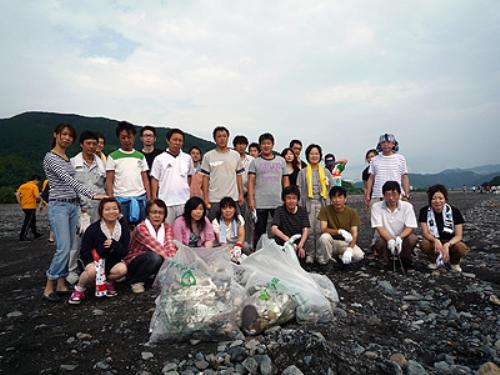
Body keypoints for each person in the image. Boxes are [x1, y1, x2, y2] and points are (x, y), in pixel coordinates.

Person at [43, 123, 106, 302]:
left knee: (70, 245)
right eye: (63, 134)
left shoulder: (65, 157)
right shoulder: (51, 157)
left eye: (69, 135)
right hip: (59, 205)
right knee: (63, 248)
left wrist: (81, 203)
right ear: (56, 135)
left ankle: (62, 283)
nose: (66, 138)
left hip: (73, 206)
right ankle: (49, 285)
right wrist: (93, 194)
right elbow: (70, 181)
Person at [68, 198, 130, 304]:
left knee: (122, 269)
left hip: (112, 261)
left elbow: (124, 252)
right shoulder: (92, 229)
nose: (111, 212)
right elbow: (85, 253)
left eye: (115, 209)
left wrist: (114, 244)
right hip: (93, 260)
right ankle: (79, 289)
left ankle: (107, 282)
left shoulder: (123, 228)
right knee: (92, 271)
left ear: (119, 211)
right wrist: (102, 247)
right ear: (101, 212)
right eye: (107, 209)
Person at [67, 130, 107, 284]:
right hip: (79, 208)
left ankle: (95, 267)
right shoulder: (72, 163)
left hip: (98, 207)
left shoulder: (101, 164)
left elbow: (104, 185)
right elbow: (69, 186)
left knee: (98, 238)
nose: (91, 146)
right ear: (81, 144)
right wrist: (79, 203)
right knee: (76, 240)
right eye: (88, 143)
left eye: (94, 144)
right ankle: (71, 271)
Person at [125, 199, 177, 293]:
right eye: (154, 212)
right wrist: (174, 263)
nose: (157, 216)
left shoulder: (166, 227)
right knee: (155, 257)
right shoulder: (141, 228)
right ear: (148, 214)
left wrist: (176, 261)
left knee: (168, 256)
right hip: (135, 262)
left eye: (161, 213)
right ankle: (136, 281)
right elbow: (157, 247)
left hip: (156, 257)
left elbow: (169, 244)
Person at [248, 133, 289, 247]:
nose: (266, 146)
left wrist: (287, 198)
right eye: (263, 143)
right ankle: (258, 253)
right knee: (260, 231)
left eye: (268, 143)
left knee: (279, 230)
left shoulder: (281, 161)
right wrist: (251, 199)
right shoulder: (255, 162)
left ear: (273, 145)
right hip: (260, 202)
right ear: (260, 145)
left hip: (278, 201)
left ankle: (281, 252)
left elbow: (285, 181)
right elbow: (251, 181)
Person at [106, 121, 151, 226]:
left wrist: (148, 199)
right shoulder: (112, 156)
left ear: (134, 137)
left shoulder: (140, 156)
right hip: (121, 201)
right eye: (123, 137)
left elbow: (145, 179)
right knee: (122, 230)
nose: (126, 140)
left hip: (140, 199)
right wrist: (111, 201)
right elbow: (109, 181)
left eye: (129, 137)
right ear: (119, 138)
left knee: (141, 230)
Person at [419, 184, 468, 272]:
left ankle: (454, 262)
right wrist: (435, 240)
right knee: (424, 244)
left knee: (462, 248)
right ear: (430, 200)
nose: (437, 201)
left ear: (445, 199)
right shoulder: (424, 211)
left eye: (440, 198)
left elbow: (458, 236)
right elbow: (425, 233)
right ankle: (433, 261)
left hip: (450, 241)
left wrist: (448, 244)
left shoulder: (454, 211)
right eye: (434, 198)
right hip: (433, 241)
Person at [297, 144, 333, 264]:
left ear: (320, 156)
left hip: (323, 204)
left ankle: (320, 254)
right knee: (309, 231)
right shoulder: (302, 172)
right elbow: (299, 189)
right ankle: (310, 254)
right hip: (308, 204)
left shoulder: (326, 172)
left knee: (321, 230)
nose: (314, 156)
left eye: (316, 153)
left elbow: (331, 189)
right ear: (307, 156)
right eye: (311, 153)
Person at [151, 128, 195, 224]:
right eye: (175, 140)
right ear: (168, 140)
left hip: (183, 201)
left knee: (183, 228)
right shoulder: (159, 159)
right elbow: (155, 179)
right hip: (166, 201)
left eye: (180, 140)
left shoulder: (187, 158)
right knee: (167, 229)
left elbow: (190, 176)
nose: (177, 143)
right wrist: (154, 198)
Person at [371, 181, 418, 268]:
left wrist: (400, 238)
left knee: (412, 238)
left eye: (394, 194)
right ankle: (385, 260)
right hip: (384, 239)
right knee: (380, 242)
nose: (391, 198)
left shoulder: (407, 206)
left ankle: (405, 259)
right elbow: (378, 227)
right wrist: (390, 239)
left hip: (401, 239)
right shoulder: (376, 207)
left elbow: (410, 226)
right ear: (383, 195)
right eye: (388, 195)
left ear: (400, 194)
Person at [201, 126, 244, 219]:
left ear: (228, 138)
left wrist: (241, 194)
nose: (222, 139)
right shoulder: (208, 156)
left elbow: (239, 176)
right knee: (214, 227)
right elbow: (205, 178)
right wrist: (205, 197)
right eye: (219, 136)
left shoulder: (235, 155)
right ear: (214, 139)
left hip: (233, 198)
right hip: (214, 199)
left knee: (234, 227)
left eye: (224, 136)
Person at [317, 186, 365, 265]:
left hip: (345, 242)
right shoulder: (325, 210)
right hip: (331, 242)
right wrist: (339, 231)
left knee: (359, 256)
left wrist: (349, 249)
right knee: (324, 237)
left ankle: (340, 258)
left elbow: (354, 234)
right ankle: (328, 261)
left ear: (345, 199)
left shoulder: (352, 212)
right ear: (331, 199)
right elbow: (323, 229)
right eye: (334, 197)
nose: (337, 200)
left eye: (340, 197)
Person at [364, 134, 410, 210]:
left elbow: (404, 176)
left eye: (388, 142)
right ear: (380, 145)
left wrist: (407, 193)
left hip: (396, 194)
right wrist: (368, 195)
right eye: (383, 142)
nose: (386, 144)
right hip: (378, 195)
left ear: (393, 144)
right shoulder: (374, 160)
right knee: (377, 220)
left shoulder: (400, 158)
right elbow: (371, 178)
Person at [271, 185, 310, 259]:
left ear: (297, 200)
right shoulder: (279, 210)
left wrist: (300, 245)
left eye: (294, 198)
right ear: (284, 199)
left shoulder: (302, 211)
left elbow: (305, 230)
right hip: (283, 243)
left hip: (298, 244)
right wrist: (289, 241)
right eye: (288, 198)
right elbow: (274, 229)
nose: (291, 201)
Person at [233, 135, 254, 245]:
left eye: (243, 144)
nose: (241, 146)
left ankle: (248, 244)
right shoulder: (231, 157)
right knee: (233, 220)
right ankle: (234, 244)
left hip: (247, 195)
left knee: (248, 221)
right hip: (233, 194)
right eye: (238, 144)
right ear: (235, 146)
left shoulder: (251, 160)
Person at [16, 175, 42, 241]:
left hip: (24, 206)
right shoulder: (34, 186)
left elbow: (17, 194)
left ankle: (35, 234)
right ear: (35, 180)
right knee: (27, 222)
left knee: (32, 220)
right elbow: (37, 196)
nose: (38, 183)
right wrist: (40, 199)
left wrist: (20, 203)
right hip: (31, 206)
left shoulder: (23, 186)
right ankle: (22, 236)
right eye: (38, 181)